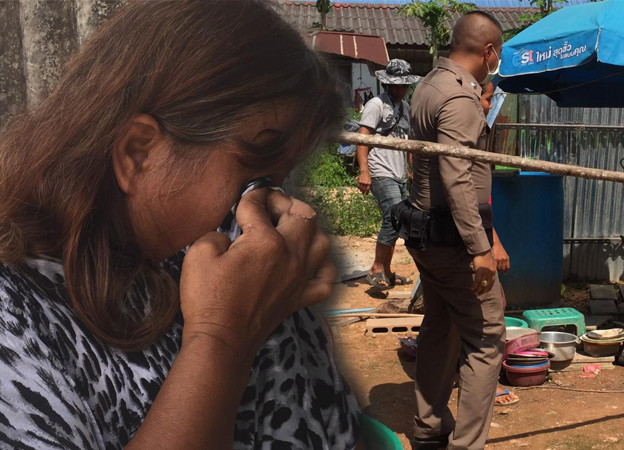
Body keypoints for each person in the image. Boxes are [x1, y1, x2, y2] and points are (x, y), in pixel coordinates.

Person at [0, 1, 359, 448]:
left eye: (282, 179)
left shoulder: (213, 268)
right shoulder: (17, 320)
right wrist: (221, 340)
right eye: (256, 174)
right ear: (139, 153)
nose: (280, 206)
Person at [405, 11, 505, 450]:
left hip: (425, 232)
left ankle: (428, 427)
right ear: (488, 52)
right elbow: (457, 174)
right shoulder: (462, 98)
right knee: (486, 339)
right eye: (496, 54)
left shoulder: (428, 84)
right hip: (453, 240)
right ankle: (466, 444)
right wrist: (480, 247)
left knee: (441, 325)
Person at [356, 59, 420, 288]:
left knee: (399, 219)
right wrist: (364, 171)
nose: (403, 89)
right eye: (399, 85)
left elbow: (408, 142)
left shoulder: (406, 108)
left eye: (406, 85)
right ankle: (376, 268)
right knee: (393, 216)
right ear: (389, 85)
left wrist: (412, 170)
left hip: (399, 172)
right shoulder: (376, 104)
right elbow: (362, 138)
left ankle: (388, 271)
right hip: (380, 169)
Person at [479, 82, 518, 407]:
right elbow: (466, 203)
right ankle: (484, 385)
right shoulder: (465, 136)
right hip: (470, 243)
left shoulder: (478, 137)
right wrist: (494, 245)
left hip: (472, 237)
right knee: (491, 311)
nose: (493, 106)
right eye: (490, 99)